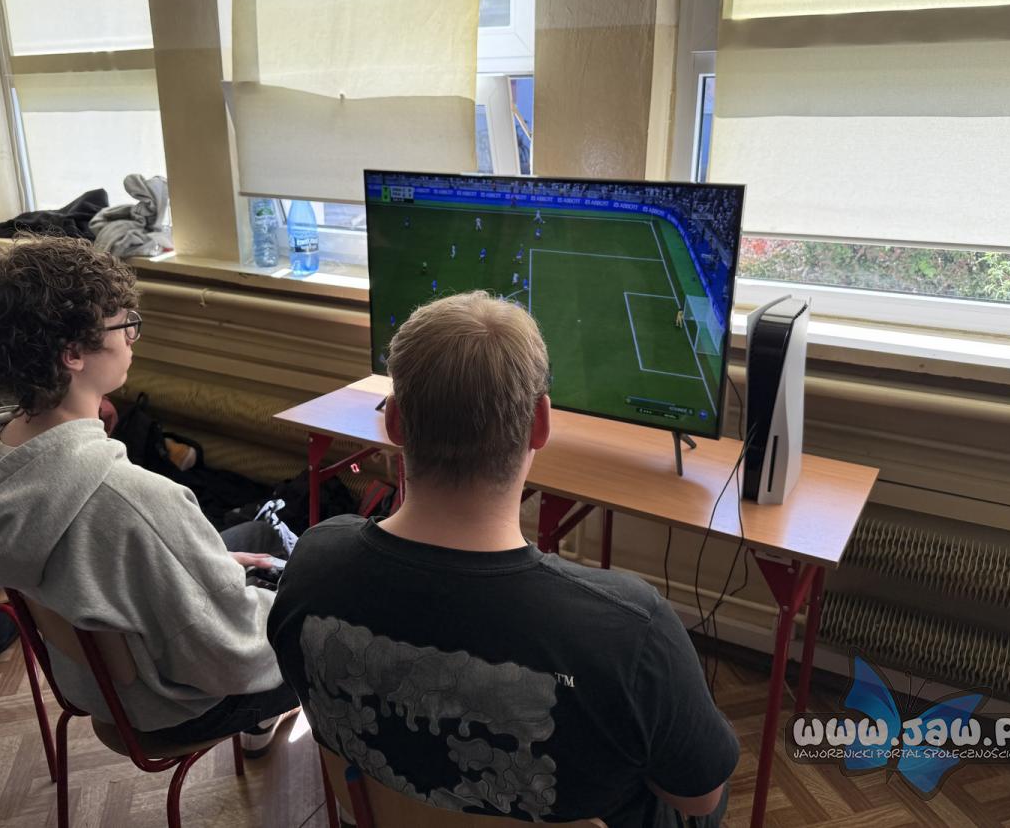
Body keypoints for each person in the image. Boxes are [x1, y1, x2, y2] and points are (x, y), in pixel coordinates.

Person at [268, 291, 737, 827]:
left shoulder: (312, 566)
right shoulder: (633, 632)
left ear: (393, 421)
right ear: (541, 424)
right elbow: (698, 798)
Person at [0, 237, 295, 749]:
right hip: (175, 706)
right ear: (72, 354)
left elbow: (106, 567)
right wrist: (291, 606)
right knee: (334, 612)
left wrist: (202, 569)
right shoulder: (135, 500)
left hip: (96, 689)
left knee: (256, 537)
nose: (131, 337)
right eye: (123, 324)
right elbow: (228, 658)